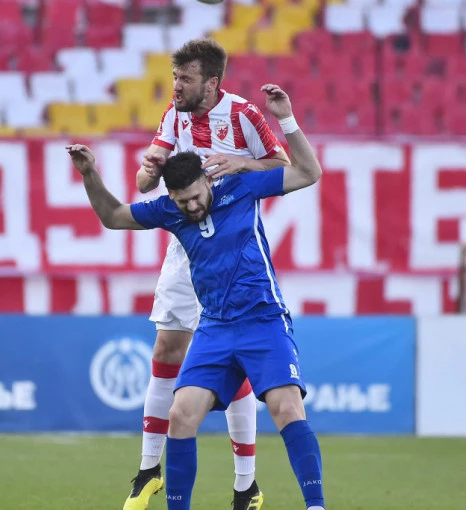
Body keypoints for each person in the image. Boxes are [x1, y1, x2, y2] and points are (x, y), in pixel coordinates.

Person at [67, 84, 326, 510]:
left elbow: (308, 172)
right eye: (182, 202)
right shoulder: (170, 211)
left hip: (263, 318)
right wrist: (89, 174)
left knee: (287, 409)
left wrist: (286, 119)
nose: (191, 207)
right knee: (181, 414)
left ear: (208, 180)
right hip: (215, 326)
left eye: (195, 197)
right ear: (171, 198)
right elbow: (113, 216)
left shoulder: (242, 187)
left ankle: (314, 505)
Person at [127, 38, 291, 510]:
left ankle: (246, 486)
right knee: (166, 347)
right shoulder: (173, 115)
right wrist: (149, 171)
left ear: (211, 82)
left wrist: (242, 163)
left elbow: (285, 166)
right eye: (175, 77)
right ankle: (148, 471)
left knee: (234, 362)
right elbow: (143, 181)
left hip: (232, 250)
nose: (177, 86)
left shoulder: (243, 115)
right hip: (186, 249)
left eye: (186, 78)